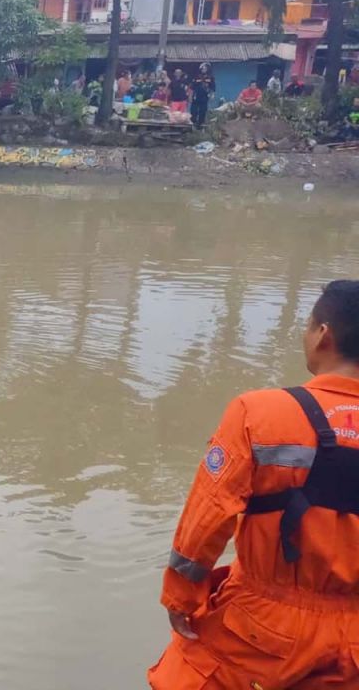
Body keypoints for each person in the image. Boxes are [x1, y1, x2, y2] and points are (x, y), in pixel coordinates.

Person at [149, 280, 359, 689]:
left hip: (262, 628)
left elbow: (207, 516)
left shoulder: (261, 413)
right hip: (353, 644)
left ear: (323, 335)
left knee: (188, 674)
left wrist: (181, 598)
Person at [190, 62, 217, 129]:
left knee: (203, 111)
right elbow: (192, 87)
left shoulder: (210, 78)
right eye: (203, 68)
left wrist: (212, 95)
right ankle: (193, 123)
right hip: (196, 97)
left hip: (204, 97)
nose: (204, 69)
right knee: (193, 111)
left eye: (205, 68)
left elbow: (213, 87)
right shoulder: (196, 77)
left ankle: (200, 125)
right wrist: (190, 96)